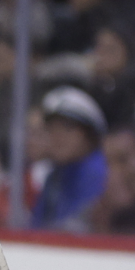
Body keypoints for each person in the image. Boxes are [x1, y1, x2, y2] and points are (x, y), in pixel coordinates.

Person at [28, 85, 109, 230]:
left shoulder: (99, 174)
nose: (58, 136)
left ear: (89, 136)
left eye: (67, 127)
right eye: (52, 128)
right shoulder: (54, 175)